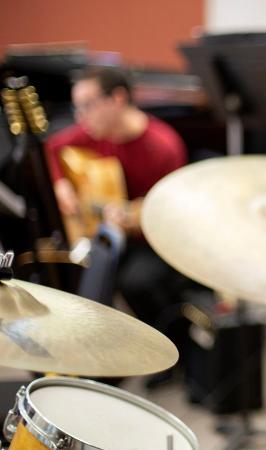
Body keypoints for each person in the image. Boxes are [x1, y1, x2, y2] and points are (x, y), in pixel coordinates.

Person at [45, 66, 190, 388]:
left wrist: (133, 220)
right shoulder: (91, 133)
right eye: (76, 107)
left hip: (153, 240)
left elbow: (169, 214)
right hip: (109, 235)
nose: (81, 117)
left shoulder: (162, 145)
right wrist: (61, 186)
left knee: (137, 280)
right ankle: (100, 364)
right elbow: (51, 149)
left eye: (87, 105)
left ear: (118, 99)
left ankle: (171, 351)